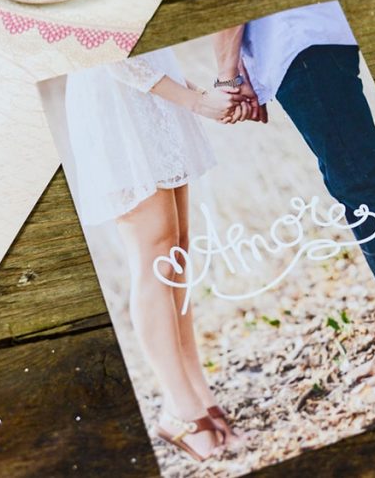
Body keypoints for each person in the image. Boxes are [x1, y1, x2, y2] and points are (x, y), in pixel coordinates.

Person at [210, 1, 375, 391]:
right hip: (304, 43)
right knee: (353, 181)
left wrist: (227, 77)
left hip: (300, 44)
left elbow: (230, 0)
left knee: (362, 180)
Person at [63, 49, 247, 461]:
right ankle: (180, 411)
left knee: (176, 248)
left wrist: (190, 92)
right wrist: (196, 100)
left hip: (152, 96)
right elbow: (105, 51)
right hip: (113, 100)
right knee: (152, 257)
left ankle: (199, 393)